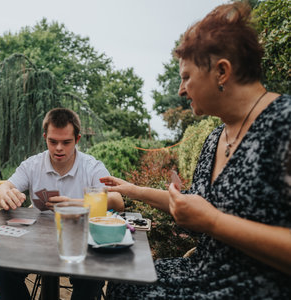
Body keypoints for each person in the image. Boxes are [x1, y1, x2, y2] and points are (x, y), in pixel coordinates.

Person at [99, 2, 291, 299]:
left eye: (186, 76)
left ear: (222, 72)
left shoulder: (285, 124)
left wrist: (214, 222)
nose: (180, 89)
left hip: (258, 287)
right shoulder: (215, 138)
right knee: (124, 279)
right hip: (204, 271)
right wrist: (133, 189)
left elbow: (208, 216)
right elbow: (194, 206)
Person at [0, 107, 124, 299]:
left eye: (66, 142)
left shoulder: (92, 166)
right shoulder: (32, 165)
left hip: (81, 242)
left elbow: (118, 201)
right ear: (45, 137)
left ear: (77, 140)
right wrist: (3, 194)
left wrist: (74, 203)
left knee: (92, 276)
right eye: (52, 141)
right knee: (1, 268)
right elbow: (3, 188)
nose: (59, 148)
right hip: (36, 242)